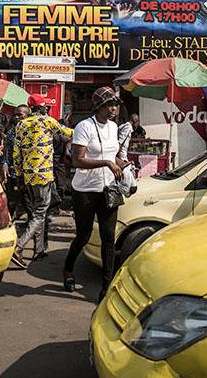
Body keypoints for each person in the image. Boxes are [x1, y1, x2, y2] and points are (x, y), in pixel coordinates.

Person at [63, 87, 126, 303]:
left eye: (115, 104)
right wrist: (107, 162)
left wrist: (121, 163)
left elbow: (112, 155)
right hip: (85, 190)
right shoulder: (84, 127)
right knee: (84, 235)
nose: (114, 108)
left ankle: (106, 287)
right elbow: (77, 160)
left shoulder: (114, 127)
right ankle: (68, 268)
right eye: (110, 105)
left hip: (108, 189)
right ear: (99, 107)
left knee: (109, 237)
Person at [11, 95, 72, 268]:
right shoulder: (47, 121)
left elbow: (16, 153)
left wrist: (19, 176)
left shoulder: (21, 125)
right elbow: (67, 132)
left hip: (28, 175)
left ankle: (39, 249)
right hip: (44, 175)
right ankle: (19, 247)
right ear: (42, 108)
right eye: (45, 107)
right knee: (39, 213)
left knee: (39, 211)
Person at [4, 105, 30, 217]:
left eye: (20, 114)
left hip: (28, 172)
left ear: (27, 116)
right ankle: (12, 218)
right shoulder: (11, 132)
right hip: (13, 170)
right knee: (11, 197)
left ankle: (30, 220)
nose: (17, 117)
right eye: (15, 114)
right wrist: (5, 163)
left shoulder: (32, 131)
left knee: (27, 198)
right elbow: (7, 148)